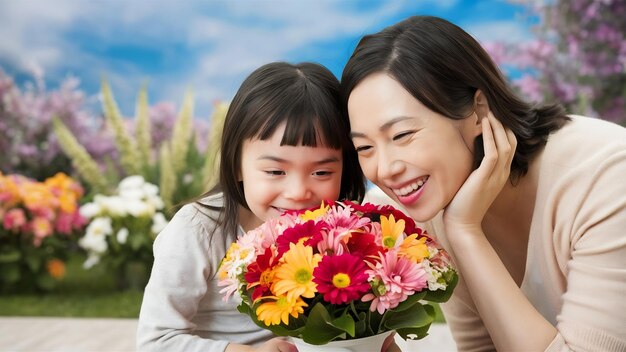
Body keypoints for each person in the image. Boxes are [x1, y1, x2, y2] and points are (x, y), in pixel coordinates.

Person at [342, 15, 626, 352]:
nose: (386, 169)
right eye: (364, 148)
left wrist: (464, 231)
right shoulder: (422, 204)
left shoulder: (606, 174)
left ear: (478, 110)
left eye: (403, 135)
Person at [137, 61, 366, 351]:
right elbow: (156, 341)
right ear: (237, 166)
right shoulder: (199, 230)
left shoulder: (341, 232)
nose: (297, 193)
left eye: (321, 173)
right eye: (275, 172)